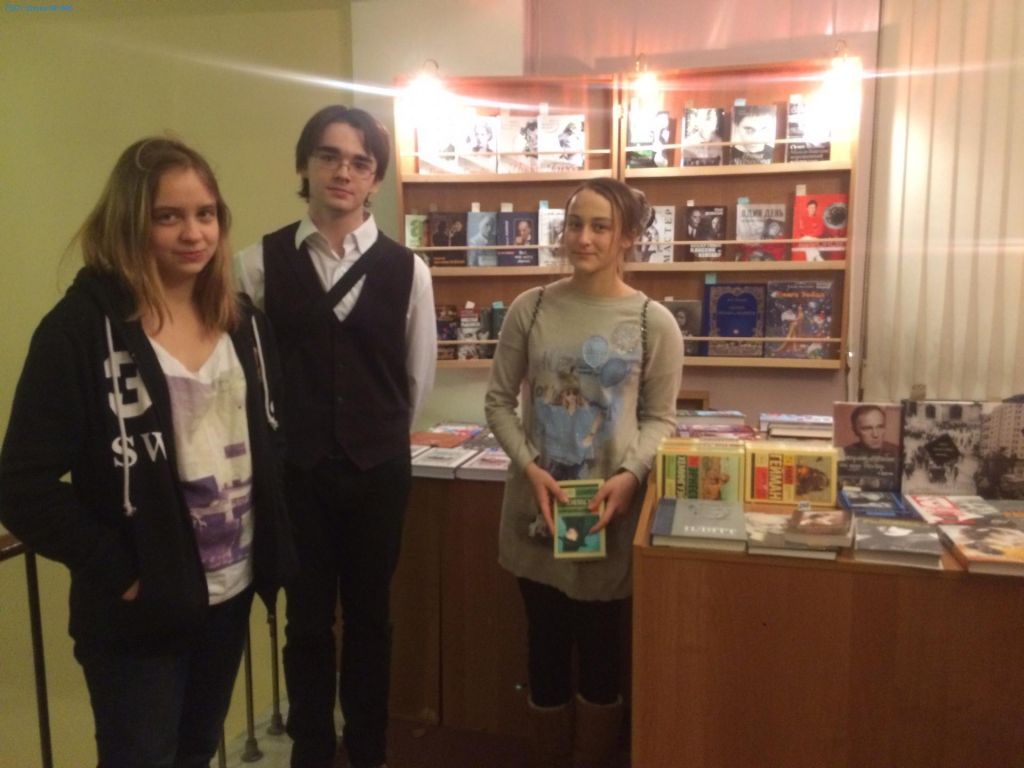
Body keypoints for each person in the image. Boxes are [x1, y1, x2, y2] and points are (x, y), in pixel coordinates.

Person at [0, 137, 296, 767]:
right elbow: (21, 485)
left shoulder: (244, 325)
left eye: (205, 213)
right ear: (130, 223)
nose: (194, 233)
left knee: (195, 752)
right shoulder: (79, 332)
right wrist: (123, 571)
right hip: (139, 614)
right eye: (169, 216)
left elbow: (268, 443)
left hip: (228, 594)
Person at [235, 105, 436, 768]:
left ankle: (370, 750)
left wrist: (374, 439)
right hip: (297, 475)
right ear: (305, 164)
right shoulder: (256, 265)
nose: (343, 172)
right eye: (329, 156)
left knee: (372, 619)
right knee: (306, 622)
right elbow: (247, 378)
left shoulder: (409, 269)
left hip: (378, 473)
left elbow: (415, 378)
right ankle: (312, 750)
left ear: (374, 177)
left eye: (359, 162)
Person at [485, 177, 683, 767]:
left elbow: (660, 418)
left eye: (600, 226)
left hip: (607, 516)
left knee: (602, 655)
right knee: (543, 650)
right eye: (575, 224)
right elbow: (498, 401)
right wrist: (529, 466)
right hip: (537, 512)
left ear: (628, 237)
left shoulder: (653, 322)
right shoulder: (531, 308)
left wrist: (630, 475)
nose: (584, 238)